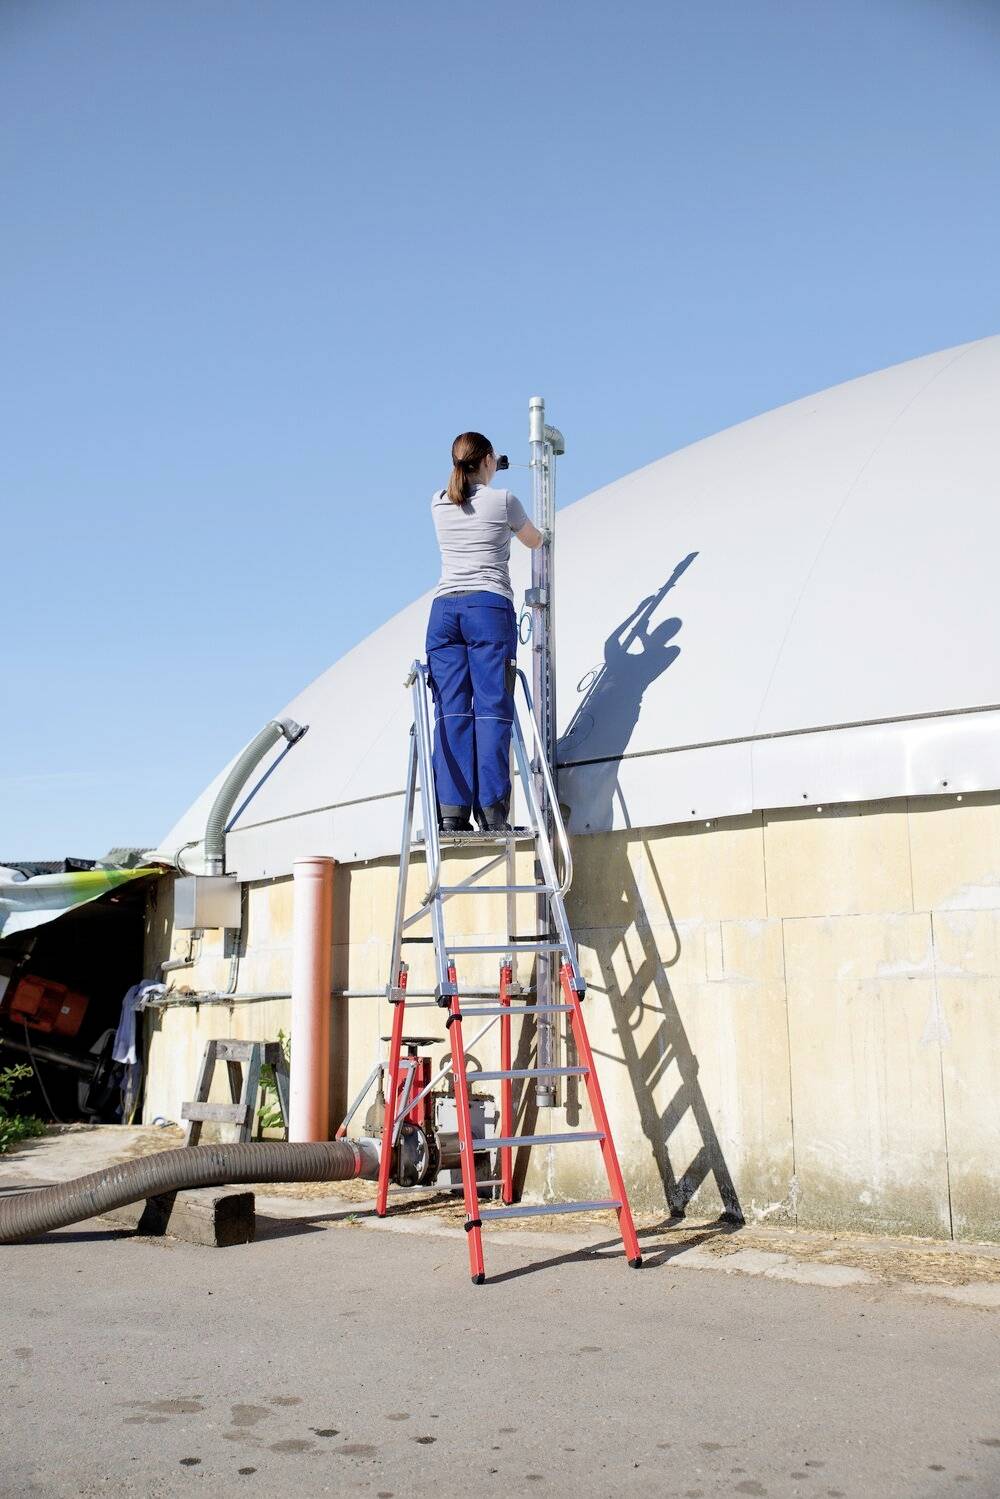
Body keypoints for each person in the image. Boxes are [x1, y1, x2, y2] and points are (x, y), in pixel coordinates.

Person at [426, 431, 543, 833]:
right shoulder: (504, 500)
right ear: (489, 460)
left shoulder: (439, 502)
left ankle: (452, 813)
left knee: (452, 711)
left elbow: (466, 500)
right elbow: (534, 540)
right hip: (487, 607)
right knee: (491, 709)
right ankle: (493, 813)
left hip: (443, 613)